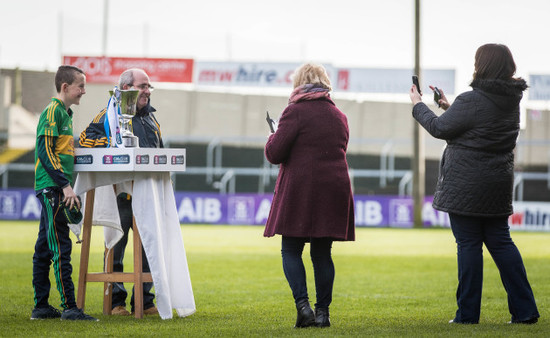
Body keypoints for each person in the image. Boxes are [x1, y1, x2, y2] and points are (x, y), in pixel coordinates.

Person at [409, 43, 540, 324]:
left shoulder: (472, 100)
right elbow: (479, 125)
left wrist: (418, 105)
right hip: (497, 183)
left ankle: (467, 315)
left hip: (467, 184)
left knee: (468, 245)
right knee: (502, 244)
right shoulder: (511, 100)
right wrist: (448, 105)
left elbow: (440, 129)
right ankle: (525, 311)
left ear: (483, 65)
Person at [264, 63, 355, 328]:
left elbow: (275, 153)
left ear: (298, 83)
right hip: (333, 188)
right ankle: (323, 313)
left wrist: (272, 136)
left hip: (301, 189)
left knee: (290, 249)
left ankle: (304, 308)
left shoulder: (294, 111)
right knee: (322, 253)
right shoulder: (339, 115)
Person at [79, 68, 162, 316]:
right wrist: (113, 146)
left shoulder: (151, 119)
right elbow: (85, 141)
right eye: (143, 86)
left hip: (149, 194)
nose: (147, 91)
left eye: (149, 86)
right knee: (116, 244)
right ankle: (116, 302)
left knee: (150, 247)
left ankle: (145, 301)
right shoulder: (108, 115)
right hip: (120, 195)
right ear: (126, 88)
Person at [32, 65, 98, 321]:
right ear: (65, 87)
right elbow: (45, 152)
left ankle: (41, 307)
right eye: (80, 85)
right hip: (52, 188)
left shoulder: (64, 113)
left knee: (44, 249)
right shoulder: (53, 112)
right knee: (61, 246)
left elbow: (59, 150)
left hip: (52, 186)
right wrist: (65, 185)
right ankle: (70, 307)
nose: (84, 90)